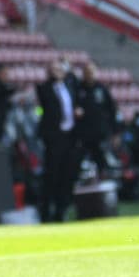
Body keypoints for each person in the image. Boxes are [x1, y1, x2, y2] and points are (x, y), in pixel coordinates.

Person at [35, 60, 80, 222]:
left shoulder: (70, 87)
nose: (57, 72)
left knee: (66, 175)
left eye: (59, 69)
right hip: (54, 137)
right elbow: (45, 106)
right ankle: (46, 212)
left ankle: (61, 210)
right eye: (53, 69)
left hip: (69, 136)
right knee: (51, 175)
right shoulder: (44, 88)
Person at [74, 62, 117, 176]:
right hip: (82, 133)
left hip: (100, 132)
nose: (89, 74)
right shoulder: (78, 88)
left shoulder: (102, 89)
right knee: (80, 160)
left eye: (92, 72)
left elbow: (112, 110)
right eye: (87, 72)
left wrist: (115, 132)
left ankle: (102, 181)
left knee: (101, 160)